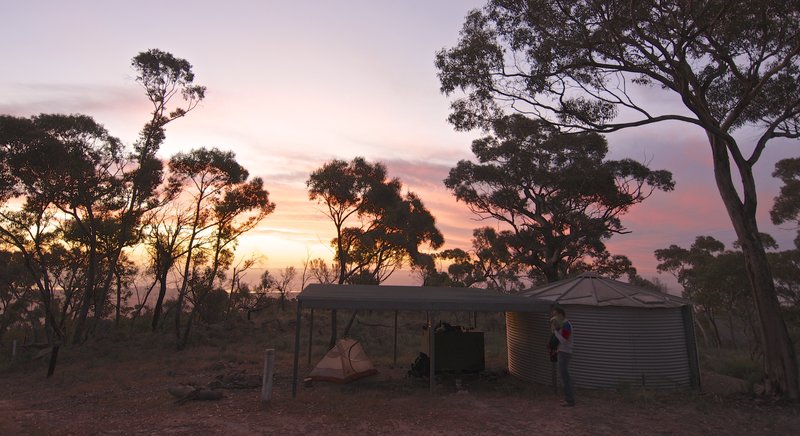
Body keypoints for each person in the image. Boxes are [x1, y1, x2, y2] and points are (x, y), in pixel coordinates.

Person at [551, 306, 574, 406]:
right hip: (562, 352)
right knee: (564, 376)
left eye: (555, 314)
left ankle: (569, 400)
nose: (554, 317)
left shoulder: (566, 325)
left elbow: (564, 340)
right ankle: (568, 398)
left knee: (565, 377)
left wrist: (555, 332)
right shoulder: (562, 325)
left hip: (565, 352)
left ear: (561, 314)